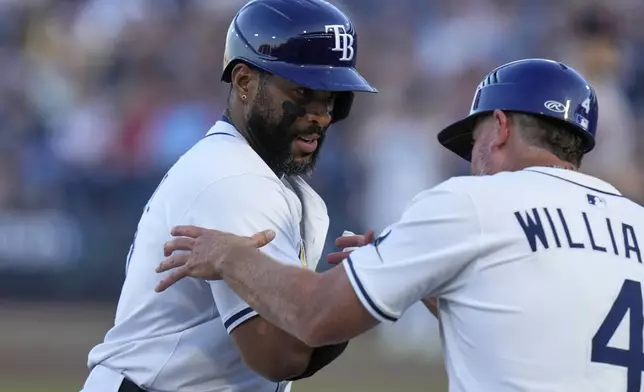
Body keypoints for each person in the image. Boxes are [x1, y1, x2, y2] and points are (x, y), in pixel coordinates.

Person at [156, 58, 644, 391]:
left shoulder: (474, 202)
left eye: (471, 142)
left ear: (499, 128)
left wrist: (230, 254)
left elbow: (315, 316)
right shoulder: (636, 223)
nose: (471, 160)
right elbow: (550, 327)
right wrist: (420, 279)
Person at [80, 0, 377, 391]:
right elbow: (278, 355)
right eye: (304, 91)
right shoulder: (236, 179)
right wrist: (366, 291)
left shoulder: (265, 179)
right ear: (243, 82)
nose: (320, 114)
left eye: (332, 97)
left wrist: (355, 290)